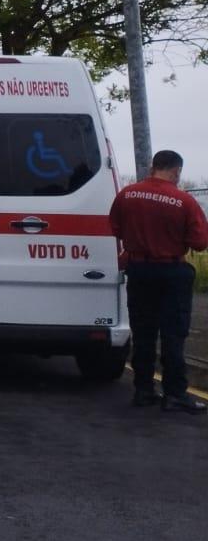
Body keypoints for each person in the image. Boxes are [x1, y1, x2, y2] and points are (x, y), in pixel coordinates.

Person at [110, 149, 208, 412]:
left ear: (154, 166)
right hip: (171, 273)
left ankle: (143, 390)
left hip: (139, 271)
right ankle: (175, 393)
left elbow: (115, 228)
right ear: (176, 171)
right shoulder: (184, 201)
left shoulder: (127, 195)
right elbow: (200, 243)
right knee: (173, 334)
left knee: (143, 333)